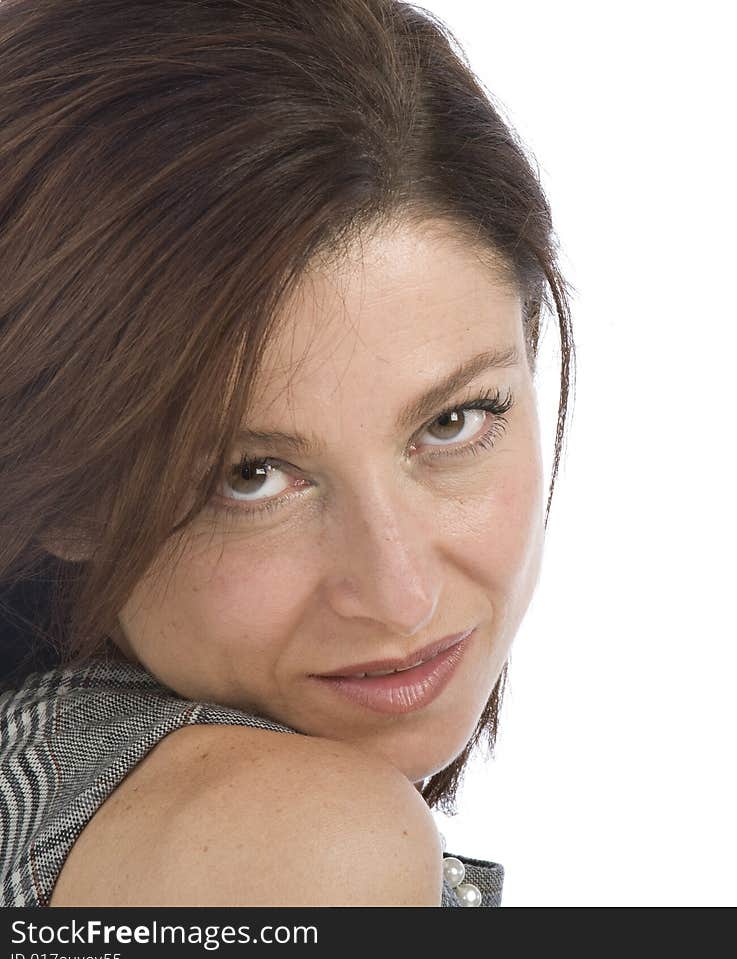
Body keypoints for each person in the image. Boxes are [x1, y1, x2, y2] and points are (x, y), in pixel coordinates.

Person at [0, 0, 574, 907]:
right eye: (250, 476)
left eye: (455, 421)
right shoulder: (308, 849)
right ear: (66, 489)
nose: (401, 596)